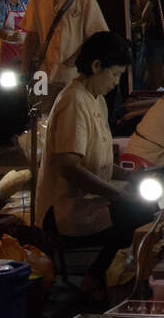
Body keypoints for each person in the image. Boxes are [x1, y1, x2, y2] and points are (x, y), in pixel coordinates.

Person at [36, 32, 155, 300]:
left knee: (150, 207)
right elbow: (69, 166)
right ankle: (97, 277)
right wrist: (117, 193)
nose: (115, 83)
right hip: (69, 210)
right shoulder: (74, 101)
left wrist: (129, 175)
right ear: (96, 66)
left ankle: (113, 274)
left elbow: (99, 162)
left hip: (91, 201)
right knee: (140, 213)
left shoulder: (95, 99)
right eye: (114, 75)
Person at [22, 0, 108, 112]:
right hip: (43, 75)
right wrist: (24, 70)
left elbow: (99, 38)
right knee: (40, 119)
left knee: (69, 120)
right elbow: (31, 36)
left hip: (72, 76)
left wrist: (76, 57)